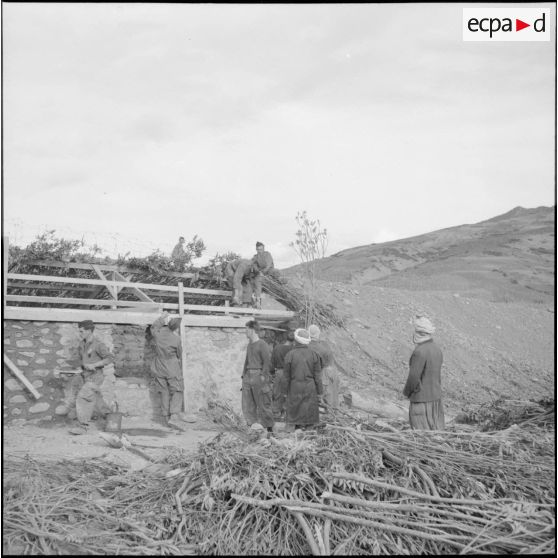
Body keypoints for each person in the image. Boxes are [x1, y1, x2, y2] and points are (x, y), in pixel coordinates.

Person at [68, 320, 114, 435]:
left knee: (83, 397)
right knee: (97, 400)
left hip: (96, 377)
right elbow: (80, 360)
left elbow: (109, 358)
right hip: (86, 377)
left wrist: (94, 365)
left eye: (81, 331)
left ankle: (83, 427)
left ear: (89, 331)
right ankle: (111, 417)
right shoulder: (82, 344)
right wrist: (73, 369)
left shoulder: (98, 344)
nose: (80, 333)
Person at [149, 312, 194, 430]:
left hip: (158, 365)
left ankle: (165, 417)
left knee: (163, 391)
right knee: (178, 390)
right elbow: (179, 353)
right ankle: (174, 415)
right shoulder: (176, 339)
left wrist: (161, 318)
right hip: (171, 366)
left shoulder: (157, 334)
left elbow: (153, 327)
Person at [403, 316, 445, 430]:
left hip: (421, 400)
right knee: (436, 433)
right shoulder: (437, 349)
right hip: (436, 399)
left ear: (419, 333)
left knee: (421, 435)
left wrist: (406, 392)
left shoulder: (419, 351)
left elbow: (413, 377)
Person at [283, 328, 323, 430]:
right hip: (310, 387)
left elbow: (286, 377)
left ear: (296, 340)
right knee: (310, 412)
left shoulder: (290, 355)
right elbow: (318, 377)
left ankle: (298, 431)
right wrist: (320, 392)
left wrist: (284, 391)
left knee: (296, 412)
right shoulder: (314, 355)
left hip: (295, 387)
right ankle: (309, 434)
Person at [242, 320, 275, 433]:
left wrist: (263, 376)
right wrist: (244, 375)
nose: (245, 331)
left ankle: (269, 427)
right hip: (248, 375)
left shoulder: (262, 344)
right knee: (248, 402)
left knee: (263, 402)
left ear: (252, 330)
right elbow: (246, 361)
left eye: (246, 329)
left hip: (258, 374)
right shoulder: (249, 345)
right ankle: (252, 425)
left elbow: (267, 362)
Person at [308, 324, 339, 411]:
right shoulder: (324, 348)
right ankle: (331, 410)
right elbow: (329, 366)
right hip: (321, 373)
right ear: (318, 334)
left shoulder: (304, 346)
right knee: (328, 392)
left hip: (306, 374)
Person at [270, 330, 294, 420]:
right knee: (289, 393)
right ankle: (286, 414)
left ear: (286, 338)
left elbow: (272, 363)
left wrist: (272, 373)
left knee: (277, 393)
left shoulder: (277, 348)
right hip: (290, 374)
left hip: (279, 373)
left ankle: (276, 414)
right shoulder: (293, 349)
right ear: (294, 340)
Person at [251, 242, 275, 309]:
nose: (260, 251)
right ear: (256, 249)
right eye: (258, 249)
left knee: (258, 279)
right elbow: (253, 265)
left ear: (263, 248)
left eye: (261, 249)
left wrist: (263, 272)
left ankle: (257, 301)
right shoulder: (255, 256)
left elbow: (268, 265)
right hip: (260, 274)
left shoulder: (267, 254)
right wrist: (258, 271)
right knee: (255, 281)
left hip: (269, 272)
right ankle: (257, 302)